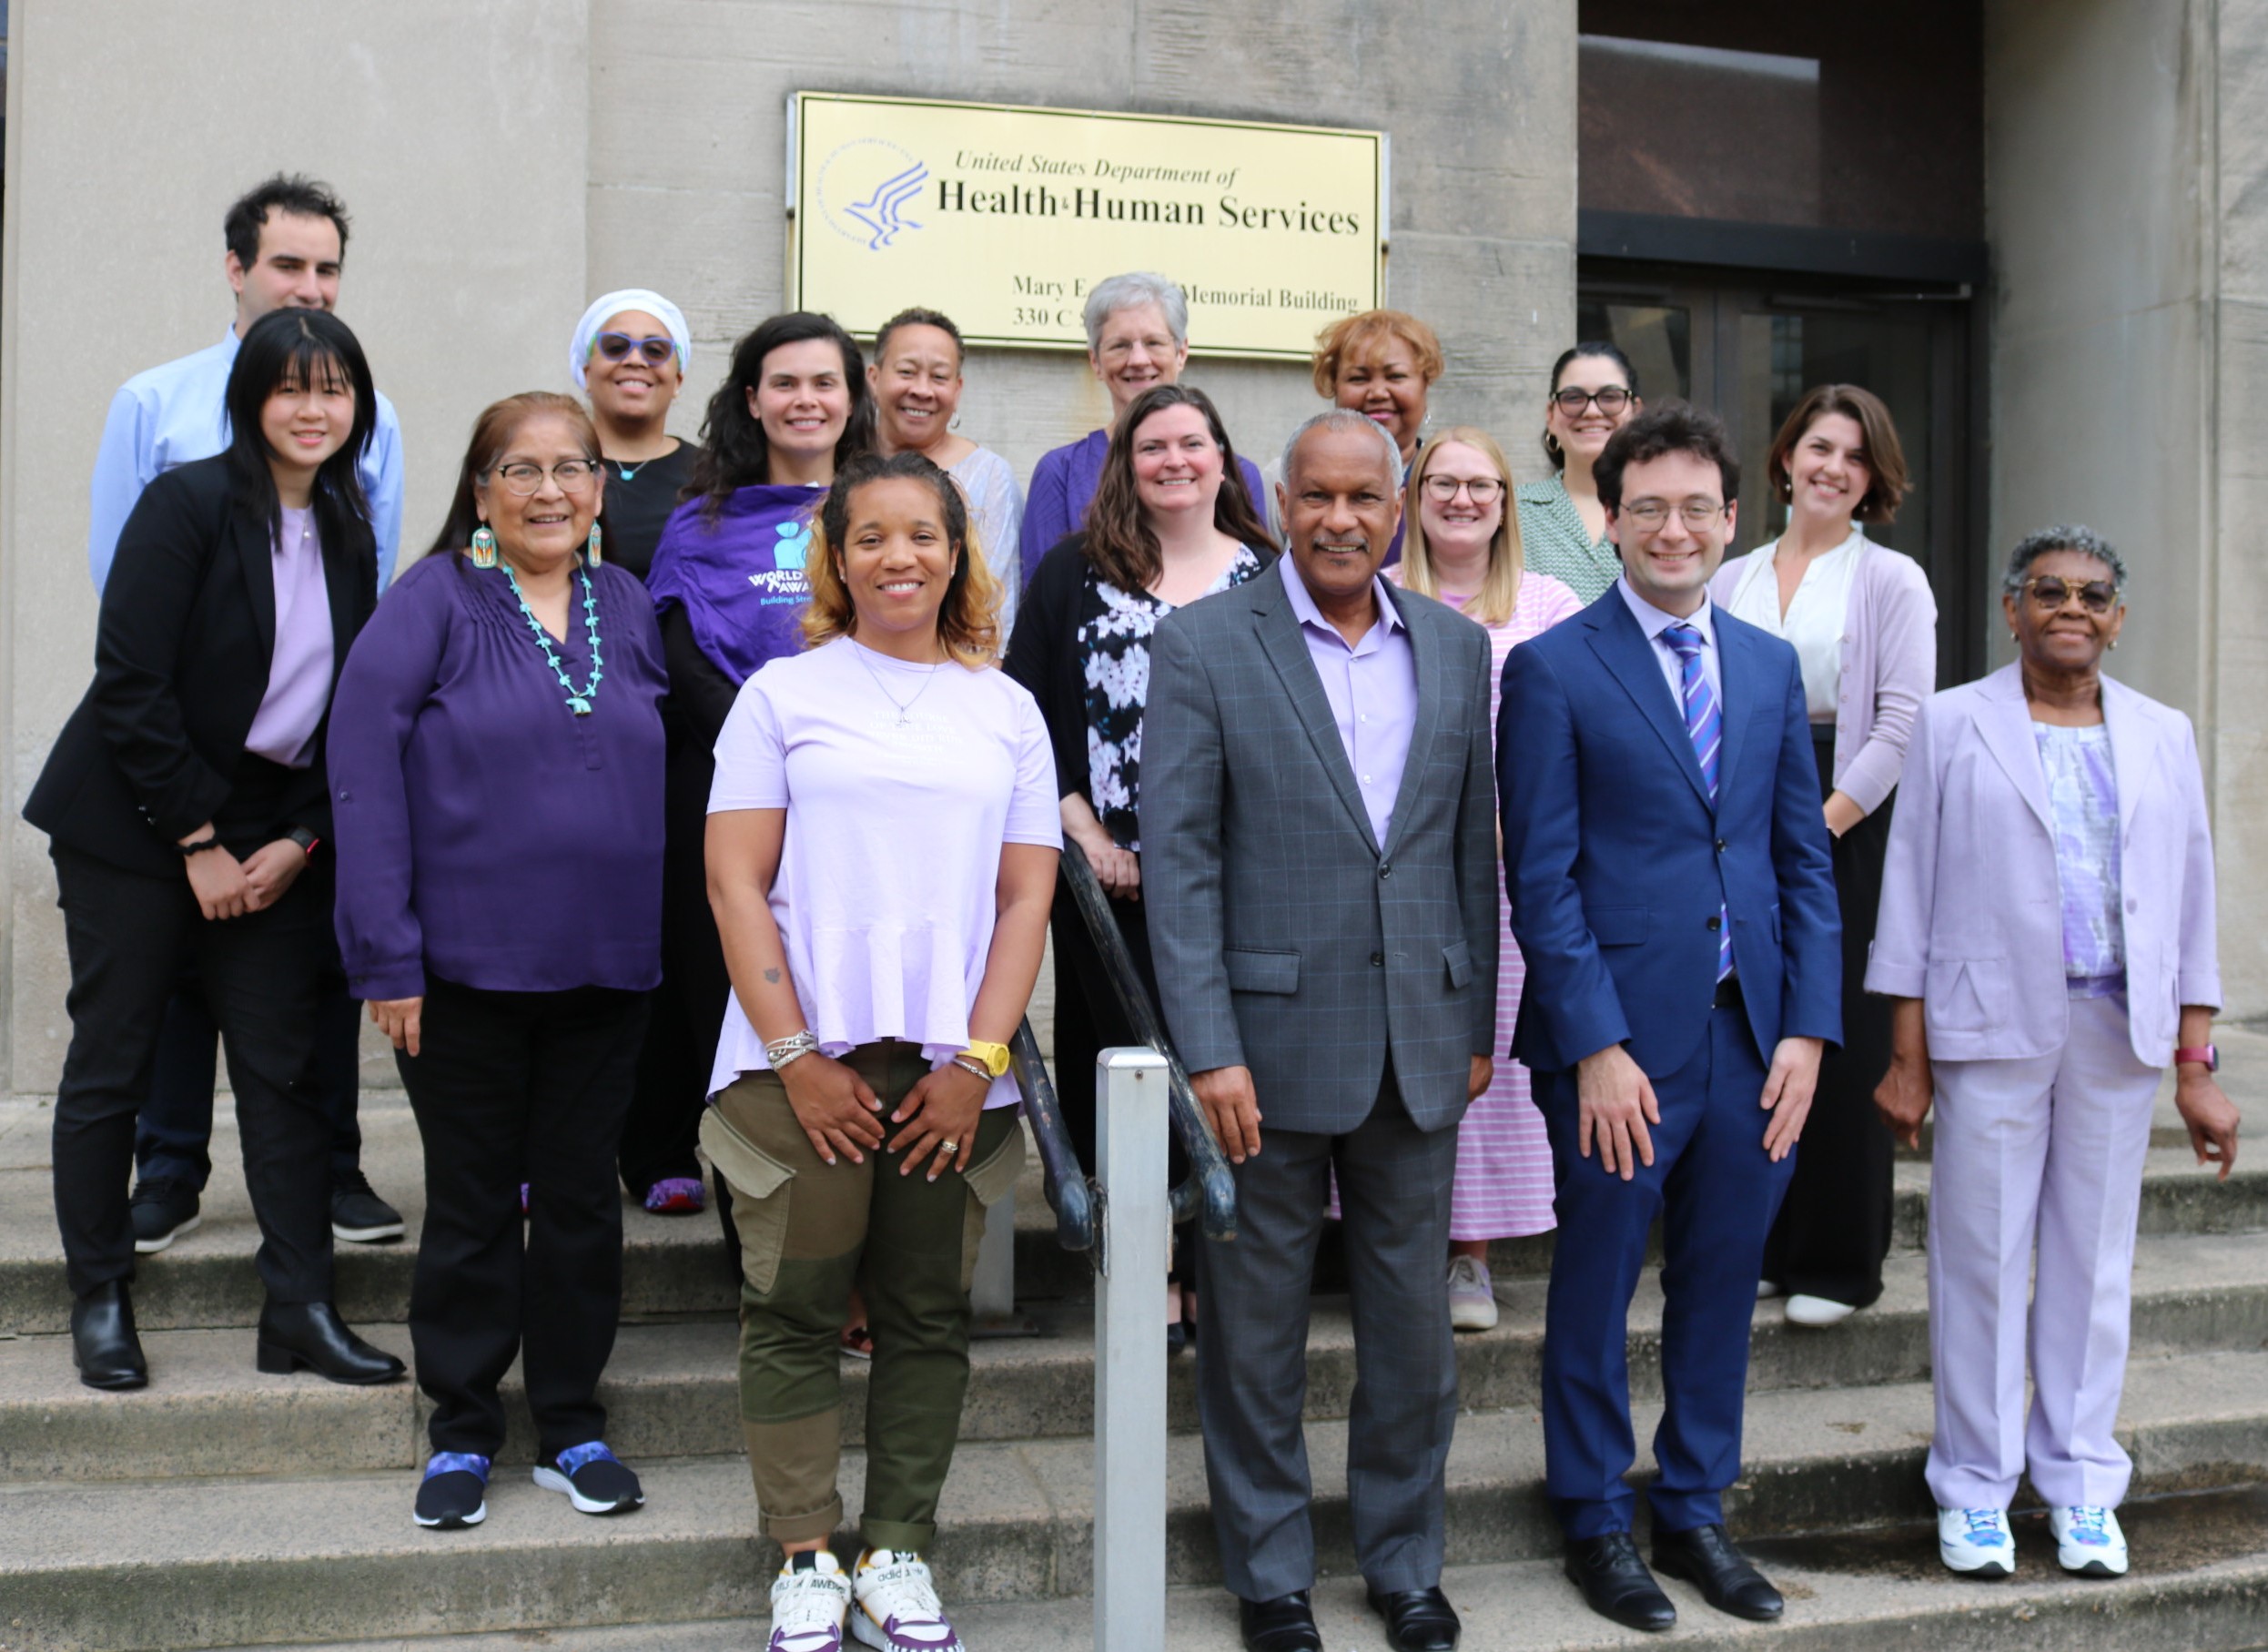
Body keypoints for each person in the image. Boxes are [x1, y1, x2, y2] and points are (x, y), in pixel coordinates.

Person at [1143, 409, 1500, 1652]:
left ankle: (1406, 1564)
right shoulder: (1201, 645)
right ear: (1280, 503)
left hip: (1419, 1042)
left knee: (1413, 1332)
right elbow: (1178, 866)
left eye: (1365, 498)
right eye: (1318, 496)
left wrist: (1473, 1017)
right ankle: (1273, 1574)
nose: (1342, 518)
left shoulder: (1456, 648)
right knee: (1253, 1330)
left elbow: (1467, 847)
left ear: (1396, 508)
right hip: (1263, 1052)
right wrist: (1208, 1048)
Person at [704, 450, 1058, 1652]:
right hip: (796, 1058)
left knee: (924, 1312)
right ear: (836, 557)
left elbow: (1025, 901)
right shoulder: (782, 696)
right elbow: (736, 881)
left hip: (956, 1066)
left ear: (958, 550)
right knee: (794, 1305)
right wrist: (794, 1047)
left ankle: (897, 1545)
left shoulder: (1006, 707)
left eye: (922, 534)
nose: (897, 556)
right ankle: (806, 1552)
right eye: (870, 537)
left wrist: (976, 1059)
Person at [1497, 402, 1839, 1634]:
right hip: (1618, 1050)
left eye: (1698, 506)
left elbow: (1802, 861)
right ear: (1616, 519)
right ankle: (1593, 1514)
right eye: (1649, 506)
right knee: (1594, 1287)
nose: (1675, 527)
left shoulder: (1768, 663)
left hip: (1756, 1040)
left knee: (1719, 1284)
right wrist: (1591, 1042)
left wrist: (1806, 1028)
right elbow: (1541, 876)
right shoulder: (1553, 668)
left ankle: (1695, 1505)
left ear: (1732, 519)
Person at [26, 308, 403, 1393]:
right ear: (251, 399)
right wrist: (195, 839)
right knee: (114, 1061)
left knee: (285, 1075)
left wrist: (295, 839)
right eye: (292, 388)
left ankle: (299, 1308)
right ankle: (98, 1293)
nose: (314, 408)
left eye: (335, 390)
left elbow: (345, 703)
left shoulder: (346, 522)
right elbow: (130, 682)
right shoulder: (184, 502)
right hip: (133, 826)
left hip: (264, 833)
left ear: (358, 409)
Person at [1868, 526, 2238, 1584]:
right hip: (1986, 1027)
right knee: (1977, 1259)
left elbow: (2190, 902)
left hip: (2117, 1034)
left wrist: (2194, 1063)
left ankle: (2079, 1482)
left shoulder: (2163, 733)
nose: (2069, 608)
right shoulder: (1950, 723)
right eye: (2046, 592)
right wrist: (1907, 1056)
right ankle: (1975, 1488)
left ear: (2116, 618)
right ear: (2011, 609)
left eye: (2091, 594)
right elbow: (1909, 890)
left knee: (2091, 1265)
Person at [329, 391, 669, 1531]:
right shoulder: (433, 600)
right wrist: (385, 957)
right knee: (474, 1204)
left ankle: (571, 1422)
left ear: (598, 486)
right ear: (480, 492)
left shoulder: (625, 602)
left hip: (607, 967)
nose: (549, 490)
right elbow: (363, 772)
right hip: (461, 973)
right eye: (518, 470)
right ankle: (463, 1431)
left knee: (579, 1204)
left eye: (571, 467)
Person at [91, 173, 405, 1261]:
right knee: (175, 976)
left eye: (327, 270)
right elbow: (122, 599)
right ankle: (170, 1168)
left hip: (292, 770)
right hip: (177, 757)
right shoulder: (157, 404)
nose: (307, 286)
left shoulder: (372, 417)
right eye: (287, 265)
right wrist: (190, 813)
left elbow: (361, 600)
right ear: (237, 269)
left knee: (301, 977)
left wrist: (308, 810)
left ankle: (331, 1171)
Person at [1003, 382, 1275, 1353]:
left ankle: (1211, 1273)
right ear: (1125, 461)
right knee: (1116, 1066)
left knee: (1220, 1071)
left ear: (1220, 457)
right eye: (1151, 446)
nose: (1172, 460)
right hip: (1104, 878)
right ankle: (1142, 1273)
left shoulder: (1265, 577)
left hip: (1241, 885)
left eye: (1190, 443)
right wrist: (1085, 833)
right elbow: (1026, 710)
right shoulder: (1074, 571)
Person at [632, 314, 873, 1226]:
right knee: (726, 991)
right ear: (751, 400)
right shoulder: (700, 522)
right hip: (729, 789)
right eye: (785, 383)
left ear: (852, 401)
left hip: (860, 794)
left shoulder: (890, 506)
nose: (804, 400)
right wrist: (770, 759)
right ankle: (753, 1219)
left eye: (824, 383)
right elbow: (681, 658)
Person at [1709, 384, 1937, 1328]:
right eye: (1816, 446)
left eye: (1851, 455)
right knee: (1756, 1027)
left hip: (1840, 815)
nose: (1830, 467)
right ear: (1786, 456)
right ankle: (1769, 1243)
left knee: (1834, 1034)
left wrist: (1819, 823)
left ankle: (1839, 1263)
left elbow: (1899, 723)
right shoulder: (1732, 572)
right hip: (1738, 811)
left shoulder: (1890, 580)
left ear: (1871, 477)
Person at [1386, 427, 1582, 1330]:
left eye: (1481, 485)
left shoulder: (1543, 604)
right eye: (1442, 482)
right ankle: (1391, 1239)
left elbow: (1570, 739)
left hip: (1508, 876)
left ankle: (1470, 1255)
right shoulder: (1379, 598)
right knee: (1401, 1049)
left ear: (1507, 503)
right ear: (1413, 497)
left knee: (1490, 1063)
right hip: (1395, 872)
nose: (1461, 498)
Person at [1016, 272, 1268, 583]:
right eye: (1120, 346)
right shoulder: (1060, 473)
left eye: (1153, 342)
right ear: (1095, 361)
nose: (1138, 359)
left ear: (1181, 352)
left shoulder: (1237, 473)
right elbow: (1041, 603)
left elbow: (1259, 595)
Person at [867, 306, 1026, 626]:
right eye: (907, 372)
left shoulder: (991, 475)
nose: (922, 390)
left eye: (939, 377)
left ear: (957, 388)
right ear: (874, 377)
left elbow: (997, 611)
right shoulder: (841, 460)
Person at [1263, 309, 1446, 562]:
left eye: (1396, 377)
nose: (1378, 393)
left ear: (1425, 385)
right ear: (1334, 387)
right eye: (1359, 378)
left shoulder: (1450, 484)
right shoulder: (1284, 475)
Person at [570, 288, 702, 582]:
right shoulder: (552, 469)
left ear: (678, 380)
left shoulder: (714, 475)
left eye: (656, 351)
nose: (635, 360)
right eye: (616, 346)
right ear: (587, 373)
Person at [1515, 343, 1642, 603]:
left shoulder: (1663, 509)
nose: (1592, 411)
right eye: (1574, 398)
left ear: (1636, 411)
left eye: (1610, 397)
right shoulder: (1512, 511)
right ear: (1550, 414)